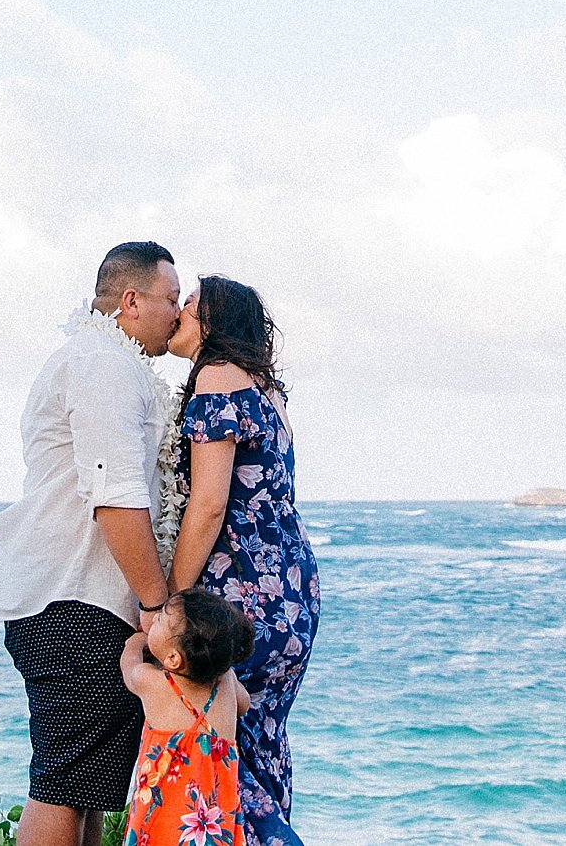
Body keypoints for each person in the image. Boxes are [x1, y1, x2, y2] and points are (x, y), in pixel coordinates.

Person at [0, 240, 186, 846]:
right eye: (171, 299)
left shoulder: (107, 364)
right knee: (64, 783)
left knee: (87, 789)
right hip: (73, 599)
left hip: (80, 598)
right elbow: (115, 493)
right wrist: (155, 604)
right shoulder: (103, 365)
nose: (178, 312)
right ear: (131, 301)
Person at [165, 276, 318, 846]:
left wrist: (169, 601)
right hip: (291, 593)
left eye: (190, 302)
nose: (179, 309)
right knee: (258, 743)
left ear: (216, 321)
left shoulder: (217, 376)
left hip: (243, 594)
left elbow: (208, 506)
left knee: (220, 752)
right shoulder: (265, 391)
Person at [118, 589, 254, 846]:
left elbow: (129, 670)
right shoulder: (226, 682)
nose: (154, 620)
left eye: (159, 621)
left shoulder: (153, 682)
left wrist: (134, 643)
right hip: (213, 823)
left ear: (173, 658)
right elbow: (244, 705)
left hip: (163, 819)